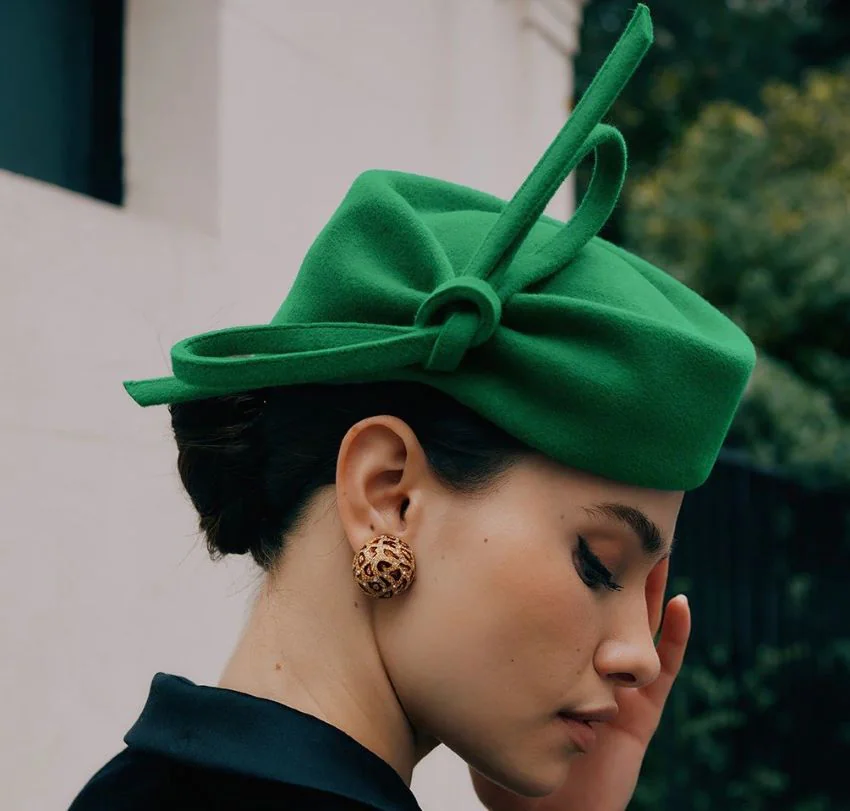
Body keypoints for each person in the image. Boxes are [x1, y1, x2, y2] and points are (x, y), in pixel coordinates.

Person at [69, 5, 755, 810]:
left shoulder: (139, 785)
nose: (640, 654)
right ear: (387, 491)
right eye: (598, 564)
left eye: (642, 590)